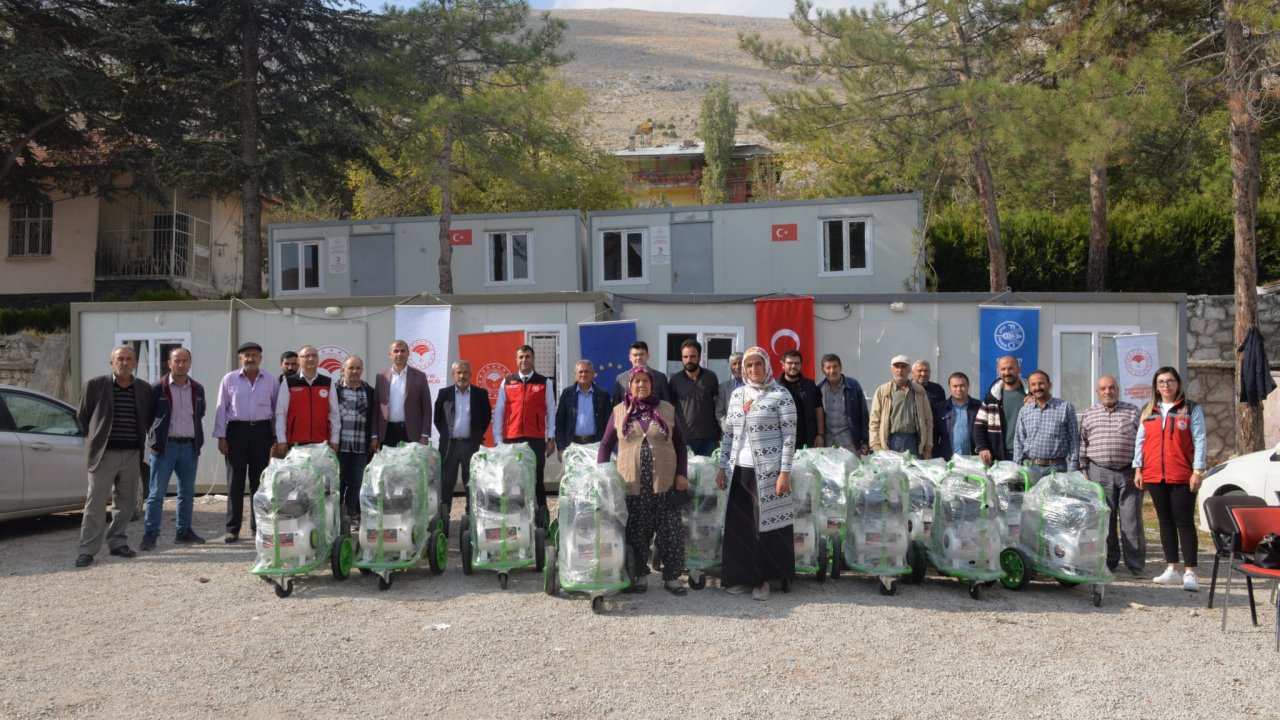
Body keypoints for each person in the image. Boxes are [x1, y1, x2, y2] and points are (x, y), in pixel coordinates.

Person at [598, 366, 690, 595]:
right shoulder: (619, 411)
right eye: (636, 381)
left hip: (665, 482)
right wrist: (602, 475)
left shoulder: (667, 409)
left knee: (671, 531)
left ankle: (672, 577)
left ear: (652, 384)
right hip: (632, 484)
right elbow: (605, 445)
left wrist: (682, 474)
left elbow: (680, 444)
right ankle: (640, 574)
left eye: (645, 381)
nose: (641, 385)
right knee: (637, 531)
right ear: (629, 385)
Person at [715, 346, 797, 601]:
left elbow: (789, 437)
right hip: (739, 471)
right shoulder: (737, 394)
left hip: (769, 473)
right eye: (748, 366)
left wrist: (785, 472)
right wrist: (722, 465)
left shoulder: (780, 395)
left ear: (766, 366)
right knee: (740, 526)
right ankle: (739, 577)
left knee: (764, 528)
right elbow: (729, 433)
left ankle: (762, 581)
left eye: (757, 365)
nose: (753, 370)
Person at [74, 345, 155, 567]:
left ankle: (118, 542)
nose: (125, 363)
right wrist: (96, 438)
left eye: (129, 359)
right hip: (104, 453)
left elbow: (148, 417)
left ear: (135, 363)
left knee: (127, 502)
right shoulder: (94, 385)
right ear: (112, 362)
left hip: (132, 453)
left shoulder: (144, 389)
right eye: (120, 359)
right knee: (95, 503)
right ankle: (87, 549)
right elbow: (83, 416)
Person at [1134, 367, 1206, 591]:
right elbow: (1140, 441)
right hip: (1155, 475)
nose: (1166, 385)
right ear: (1156, 386)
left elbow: (1200, 439)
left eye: (1171, 381)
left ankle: (1191, 572)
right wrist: (1138, 468)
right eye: (1162, 382)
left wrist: (1198, 471)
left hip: (1182, 475)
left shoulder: (1191, 408)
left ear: (1178, 384)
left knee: (1184, 523)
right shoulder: (1148, 410)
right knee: (1165, 523)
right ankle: (1172, 569)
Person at [140, 347, 207, 551]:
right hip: (165, 449)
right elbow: (147, 417)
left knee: (186, 493)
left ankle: (183, 531)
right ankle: (150, 534)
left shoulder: (197, 389)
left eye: (185, 360)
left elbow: (200, 413)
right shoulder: (157, 388)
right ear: (169, 363)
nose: (181, 364)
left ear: (190, 363)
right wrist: (155, 439)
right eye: (177, 360)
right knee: (156, 494)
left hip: (189, 447)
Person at [213, 341, 278, 543]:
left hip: (262, 431)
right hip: (237, 431)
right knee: (235, 483)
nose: (251, 358)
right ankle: (232, 528)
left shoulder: (270, 380)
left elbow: (277, 410)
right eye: (246, 355)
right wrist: (221, 436)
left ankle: (258, 527)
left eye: (254, 355)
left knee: (260, 482)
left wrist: (276, 437)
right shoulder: (229, 379)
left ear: (260, 358)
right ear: (240, 358)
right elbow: (220, 408)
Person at [1080, 375, 1144, 576]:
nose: (1108, 391)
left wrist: (1141, 470)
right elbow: (1083, 444)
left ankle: (1135, 565)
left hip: (1128, 473)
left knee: (1131, 521)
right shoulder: (1090, 413)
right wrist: (1084, 471)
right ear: (1097, 392)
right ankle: (1109, 562)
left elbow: (1142, 444)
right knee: (1105, 520)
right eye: (1103, 388)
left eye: (1111, 388)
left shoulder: (1133, 411)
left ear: (1118, 389)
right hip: (1099, 472)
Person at [494, 344, 557, 516]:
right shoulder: (506, 382)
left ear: (533, 359)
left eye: (527, 356)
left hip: (535, 439)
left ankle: (542, 517)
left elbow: (551, 410)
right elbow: (499, 410)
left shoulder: (545, 382)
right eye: (521, 357)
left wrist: (550, 437)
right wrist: (498, 438)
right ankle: (515, 516)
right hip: (511, 438)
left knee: (536, 479)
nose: (524, 360)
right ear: (516, 360)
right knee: (512, 480)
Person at [435, 360, 492, 521]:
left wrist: (475, 434)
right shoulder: (444, 393)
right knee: (446, 486)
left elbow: (486, 417)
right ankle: (444, 521)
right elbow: (437, 419)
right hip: (449, 447)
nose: (462, 376)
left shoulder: (480, 394)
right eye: (458, 373)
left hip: (471, 446)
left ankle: (472, 519)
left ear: (470, 374)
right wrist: (448, 435)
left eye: (465, 372)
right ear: (453, 375)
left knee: (472, 484)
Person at [1011, 370, 1079, 482]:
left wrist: (1072, 468)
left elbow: (1074, 440)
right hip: (1030, 468)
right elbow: (1019, 441)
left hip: (1057, 469)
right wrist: (1017, 469)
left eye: (1041, 383)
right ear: (1030, 388)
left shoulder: (1066, 407)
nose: (1037, 387)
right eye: (1033, 384)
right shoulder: (1024, 410)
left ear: (1049, 385)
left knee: (1055, 500)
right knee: (1030, 500)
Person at [335, 355, 376, 528]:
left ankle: (349, 515)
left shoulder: (368, 391)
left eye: (358, 368)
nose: (354, 371)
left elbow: (374, 417)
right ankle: (335, 517)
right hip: (339, 446)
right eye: (351, 368)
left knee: (356, 483)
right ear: (343, 370)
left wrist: (374, 438)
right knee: (338, 483)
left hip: (360, 446)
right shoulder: (334, 390)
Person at [274, 344, 339, 455]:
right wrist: (281, 439)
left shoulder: (327, 383)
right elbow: (281, 413)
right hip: (296, 444)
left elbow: (334, 413)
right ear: (299, 360)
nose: (311, 359)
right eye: (307, 356)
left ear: (318, 359)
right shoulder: (289, 383)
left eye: (314, 356)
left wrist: (335, 439)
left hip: (322, 443)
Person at [868, 355, 934, 458]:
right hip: (891, 441)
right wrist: (876, 445)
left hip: (915, 441)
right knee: (892, 473)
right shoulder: (883, 391)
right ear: (892, 369)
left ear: (909, 369)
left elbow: (928, 421)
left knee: (912, 473)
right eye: (896, 367)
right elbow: (874, 421)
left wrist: (928, 447)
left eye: (903, 367)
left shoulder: (919, 391)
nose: (900, 370)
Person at [375, 339, 433, 448]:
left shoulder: (419, 376)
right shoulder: (381, 377)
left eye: (402, 351)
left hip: (411, 433)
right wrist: (374, 436)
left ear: (408, 353)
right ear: (390, 355)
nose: (399, 354)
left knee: (410, 465)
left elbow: (427, 407)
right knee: (389, 465)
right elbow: (376, 408)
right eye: (396, 351)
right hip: (387, 432)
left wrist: (425, 434)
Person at [668, 339, 721, 456]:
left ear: (699, 357)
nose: (689, 360)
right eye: (685, 357)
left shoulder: (711, 377)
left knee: (708, 473)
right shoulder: (675, 380)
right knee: (686, 473)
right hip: (684, 438)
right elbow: (671, 409)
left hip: (709, 438)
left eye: (692, 356)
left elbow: (717, 404)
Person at [974, 355, 1029, 464]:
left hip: (1028, 456)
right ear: (998, 371)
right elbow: (979, 425)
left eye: (1011, 368)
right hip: (1000, 456)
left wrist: (1036, 399)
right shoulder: (992, 396)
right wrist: (982, 447)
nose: (1007, 372)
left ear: (1019, 369)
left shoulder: (1031, 393)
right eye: (1003, 369)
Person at [554, 360, 611, 452]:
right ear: (575, 375)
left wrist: (607, 447)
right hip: (572, 445)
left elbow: (609, 423)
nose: (583, 374)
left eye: (587, 371)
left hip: (596, 445)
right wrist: (561, 448)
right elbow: (560, 423)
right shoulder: (567, 394)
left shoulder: (603, 395)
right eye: (580, 372)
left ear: (593, 374)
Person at [819, 353, 869, 455]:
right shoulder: (818, 388)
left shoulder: (853, 385)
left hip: (849, 441)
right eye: (828, 367)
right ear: (823, 370)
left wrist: (865, 440)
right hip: (827, 443)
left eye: (835, 366)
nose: (832, 371)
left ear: (840, 368)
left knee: (851, 470)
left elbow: (864, 414)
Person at [779, 349, 824, 449]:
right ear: (783, 365)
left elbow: (819, 410)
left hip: (808, 440)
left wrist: (820, 435)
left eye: (797, 363)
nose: (793, 366)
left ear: (801, 365)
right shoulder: (775, 387)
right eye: (790, 363)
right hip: (783, 442)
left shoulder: (810, 385)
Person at [935, 371, 982, 460]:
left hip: (973, 459)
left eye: (962, 385)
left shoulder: (979, 406)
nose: (959, 389)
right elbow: (934, 436)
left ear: (968, 386)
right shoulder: (939, 408)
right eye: (955, 386)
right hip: (948, 459)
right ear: (950, 387)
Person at [611, 341, 671, 405]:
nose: (638, 358)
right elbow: (616, 407)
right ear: (630, 357)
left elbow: (667, 405)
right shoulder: (621, 379)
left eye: (642, 354)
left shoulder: (660, 377)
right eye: (635, 355)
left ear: (647, 356)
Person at [715, 351, 744, 427]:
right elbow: (719, 413)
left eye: (740, 363)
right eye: (734, 364)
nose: (737, 367)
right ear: (730, 366)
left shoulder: (753, 386)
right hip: (730, 433)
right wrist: (729, 431)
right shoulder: (723, 387)